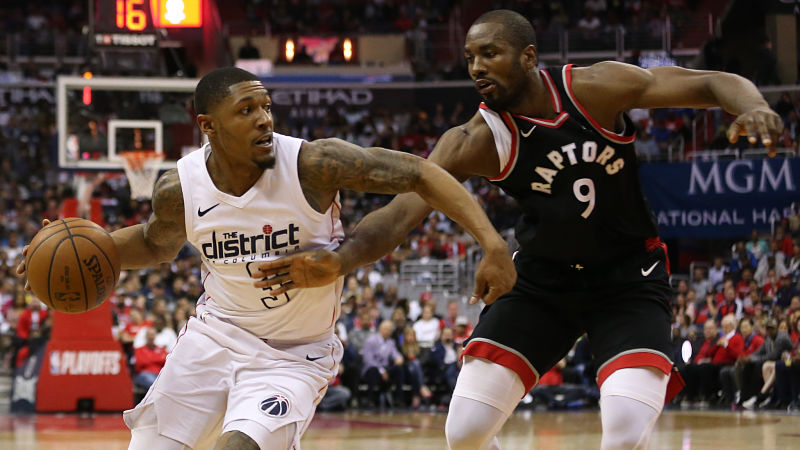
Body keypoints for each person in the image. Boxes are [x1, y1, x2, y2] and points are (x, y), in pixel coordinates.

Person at [252, 10, 783, 450]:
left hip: (628, 281)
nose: (477, 67)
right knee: (464, 431)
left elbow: (712, 82)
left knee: (623, 433)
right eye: (469, 58)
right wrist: (338, 261)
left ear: (528, 57)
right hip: (541, 283)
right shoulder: (475, 140)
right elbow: (396, 216)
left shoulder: (594, 89)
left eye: (490, 54)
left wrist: (755, 107)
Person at [17, 67, 514, 450]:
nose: (264, 119)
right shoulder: (180, 188)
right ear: (207, 125)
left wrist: (491, 243)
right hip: (212, 339)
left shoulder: (313, 164)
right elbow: (154, 244)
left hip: (294, 355)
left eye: (266, 106)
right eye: (246, 110)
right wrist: (76, 245)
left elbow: (422, 175)